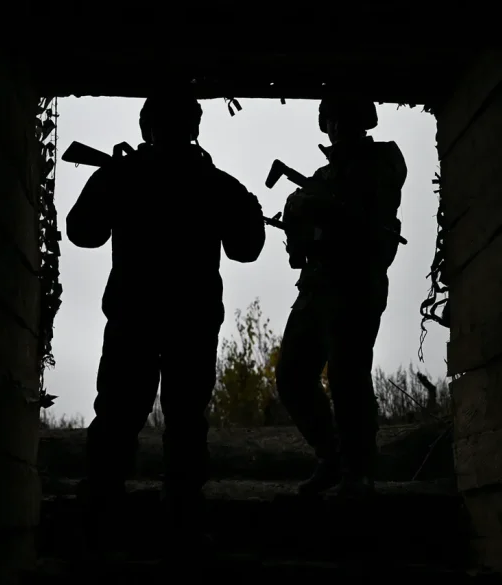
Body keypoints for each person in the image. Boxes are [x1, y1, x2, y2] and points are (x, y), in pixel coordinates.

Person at [66, 81, 266, 551]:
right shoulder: (216, 185)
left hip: (134, 318)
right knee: (184, 421)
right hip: (190, 322)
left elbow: (82, 232)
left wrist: (111, 180)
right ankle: (182, 526)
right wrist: (249, 208)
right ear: (194, 128)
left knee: (118, 416)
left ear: (146, 128)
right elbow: (247, 248)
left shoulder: (125, 176)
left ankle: (99, 524)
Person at [275, 92, 407, 496]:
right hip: (316, 286)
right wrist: (299, 219)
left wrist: (316, 206)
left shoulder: (381, 161)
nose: (335, 128)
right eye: (330, 119)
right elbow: (301, 228)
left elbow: (368, 210)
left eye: (344, 119)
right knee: (292, 375)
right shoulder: (322, 176)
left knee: (348, 377)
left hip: (356, 285)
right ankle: (331, 458)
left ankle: (358, 471)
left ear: (362, 121)